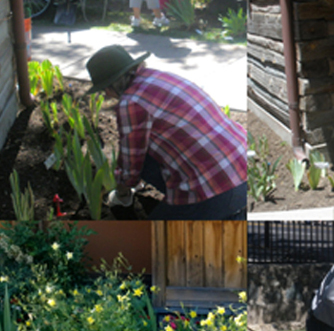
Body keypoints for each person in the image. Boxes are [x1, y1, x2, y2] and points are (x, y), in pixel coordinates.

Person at [85, 45, 247, 220]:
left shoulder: (131, 102)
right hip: (241, 163)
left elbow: (131, 161)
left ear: (110, 87)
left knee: (155, 240)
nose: (107, 95)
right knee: (148, 160)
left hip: (217, 188)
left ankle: (224, 215)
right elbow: (140, 154)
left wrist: (122, 193)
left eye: (104, 90)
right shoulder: (159, 76)